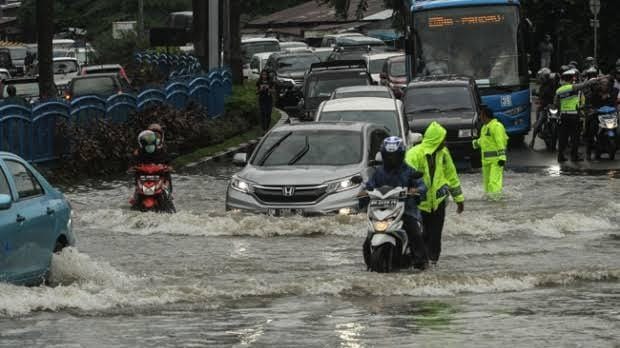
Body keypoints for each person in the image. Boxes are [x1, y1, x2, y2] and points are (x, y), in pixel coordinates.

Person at [364, 136, 429, 270]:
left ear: (401, 155)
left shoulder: (409, 170)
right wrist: (364, 192)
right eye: (388, 156)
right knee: (367, 239)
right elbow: (369, 185)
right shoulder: (379, 172)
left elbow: (422, 185)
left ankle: (421, 261)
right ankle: (368, 262)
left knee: (415, 233)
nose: (391, 159)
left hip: (406, 210)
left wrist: (416, 190)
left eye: (394, 156)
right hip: (381, 210)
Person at [405, 122, 464, 266]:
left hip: (438, 203)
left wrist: (459, 199)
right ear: (435, 140)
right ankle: (419, 263)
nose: (445, 142)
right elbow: (406, 176)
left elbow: (451, 175)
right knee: (419, 235)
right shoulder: (414, 154)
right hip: (419, 203)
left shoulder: (443, 154)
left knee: (435, 236)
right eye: (442, 139)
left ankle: (433, 263)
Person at [554, 69, 603, 162]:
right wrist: (592, 81)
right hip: (574, 116)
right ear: (571, 79)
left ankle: (560, 156)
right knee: (575, 137)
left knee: (562, 138)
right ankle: (574, 157)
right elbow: (583, 85)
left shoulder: (559, 90)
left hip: (563, 116)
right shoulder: (573, 87)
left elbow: (556, 104)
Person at [473, 105, 509, 199]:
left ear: (485, 116)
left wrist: (502, 158)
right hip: (486, 161)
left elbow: (500, 142)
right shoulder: (484, 127)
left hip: (496, 161)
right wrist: (475, 143)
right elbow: (484, 141)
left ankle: (496, 203)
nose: (480, 117)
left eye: (481, 115)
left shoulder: (497, 126)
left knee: (494, 183)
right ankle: (490, 203)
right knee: (487, 185)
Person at [530, 68, 558, 148]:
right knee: (539, 123)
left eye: (543, 77)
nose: (542, 79)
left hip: (553, 106)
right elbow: (539, 96)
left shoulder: (554, 84)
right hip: (544, 107)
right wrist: (538, 98)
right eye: (542, 77)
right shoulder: (542, 87)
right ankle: (533, 140)